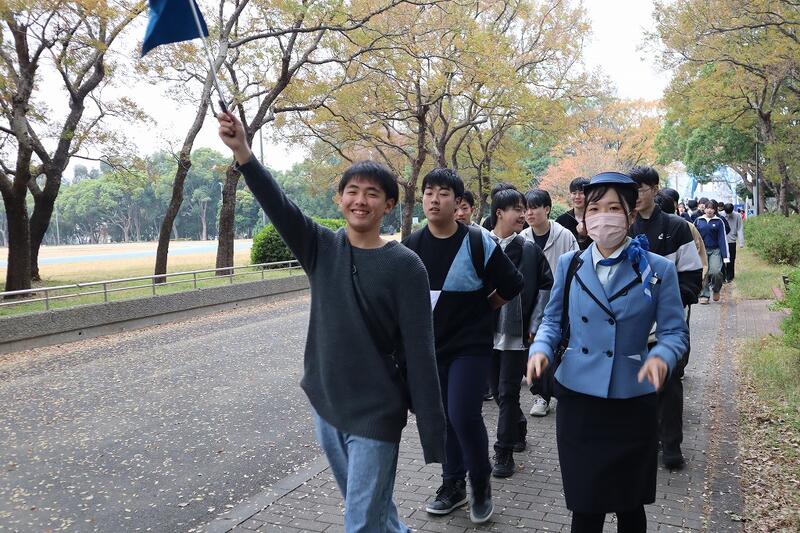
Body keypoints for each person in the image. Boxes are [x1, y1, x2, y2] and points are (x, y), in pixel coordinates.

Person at [217, 112, 446, 533]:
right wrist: (244, 153)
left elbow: (420, 349)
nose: (361, 200)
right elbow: (280, 207)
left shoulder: (406, 266)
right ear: (339, 199)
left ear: (389, 205)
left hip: (377, 412)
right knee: (373, 511)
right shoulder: (321, 247)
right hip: (328, 404)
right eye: (352, 191)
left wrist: (433, 428)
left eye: (372, 194)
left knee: (360, 522)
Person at [527, 172, 689, 533]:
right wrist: (540, 347)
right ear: (584, 218)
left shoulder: (658, 269)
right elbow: (552, 320)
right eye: (595, 208)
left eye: (614, 208)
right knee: (585, 505)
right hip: (579, 398)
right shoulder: (570, 264)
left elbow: (675, 332)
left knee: (631, 505)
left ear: (630, 216)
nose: (603, 216)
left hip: (632, 396)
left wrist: (662, 357)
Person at [403, 168, 523, 524]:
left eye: (443, 193)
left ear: (458, 202)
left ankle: (480, 483)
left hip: (471, 347)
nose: (434, 199)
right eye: (429, 192)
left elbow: (512, 283)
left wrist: (486, 307)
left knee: (462, 414)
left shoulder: (476, 241)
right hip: (431, 350)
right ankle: (452, 484)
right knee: (443, 418)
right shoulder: (411, 246)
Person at [630, 168, 703, 471]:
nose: (635, 196)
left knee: (669, 383)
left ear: (656, 189)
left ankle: (671, 444)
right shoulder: (624, 226)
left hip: (666, 324)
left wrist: (666, 301)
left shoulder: (677, 227)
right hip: (630, 324)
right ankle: (643, 441)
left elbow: (692, 278)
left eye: (640, 189)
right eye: (630, 190)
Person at [488, 188, 553, 478]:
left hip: (517, 334)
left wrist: (536, 323)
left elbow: (546, 285)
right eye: (516, 208)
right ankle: (519, 426)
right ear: (499, 213)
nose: (523, 214)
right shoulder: (481, 245)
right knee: (498, 392)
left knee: (508, 391)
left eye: (524, 208)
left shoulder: (529, 249)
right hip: (485, 332)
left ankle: (503, 452)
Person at [520, 188, 578, 416]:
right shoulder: (523, 238)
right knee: (536, 346)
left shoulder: (565, 236)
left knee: (558, 347)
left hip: (560, 301)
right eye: (526, 209)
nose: (529, 213)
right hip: (533, 303)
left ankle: (559, 390)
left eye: (534, 208)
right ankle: (541, 396)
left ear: (547, 209)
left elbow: (576, 268)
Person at [694, 199, 730, 304]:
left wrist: (725, 256)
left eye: (712, 208)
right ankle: (704, 294)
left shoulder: (719, 221)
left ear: (715, 210)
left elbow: (722, 239)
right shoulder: (698, 221)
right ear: (704, 209)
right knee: (704, 273)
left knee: (715, 272)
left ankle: (716, 289)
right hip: (702, 250)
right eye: (707, 208)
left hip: (715, 250)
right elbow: (693, 236)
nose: (709, 210)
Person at [555, 177, 593, 250]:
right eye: (574, 193)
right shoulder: (561, 221)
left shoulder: (596, 218)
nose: (577, 197)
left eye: (581, 193)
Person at [722, 203, 744, 282]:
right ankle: (723, 276)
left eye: (730, 213)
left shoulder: (737, 216)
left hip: (732, 241)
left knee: (731, 259)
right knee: (722, 259)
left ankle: (730, 276)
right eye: (727, 213)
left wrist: (741, 242)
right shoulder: (721, 215)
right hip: (722, 241)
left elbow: (740, 228)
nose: (728, 215)